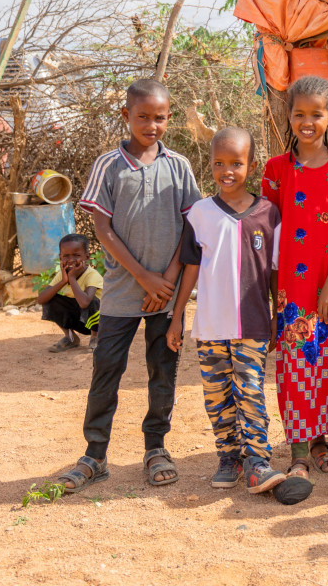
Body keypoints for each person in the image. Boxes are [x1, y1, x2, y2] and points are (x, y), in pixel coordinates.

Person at [58, 78, 201, 494]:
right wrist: (143, 276)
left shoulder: (179, 166)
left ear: (169, 118)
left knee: (163, 370)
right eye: (142, 117)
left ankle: (156, 448)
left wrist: (169, 280)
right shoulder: (110, 164)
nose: (151, 125)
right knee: (107, 369)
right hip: (122, 292)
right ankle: (94, 454)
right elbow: (102, 229)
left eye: (159, 118)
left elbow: (190, 228)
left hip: (166, 295)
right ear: (126, 116)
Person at [166, 127, 288, 496]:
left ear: (251, 166)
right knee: (217, 395)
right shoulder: (200, 213)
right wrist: (177, 317)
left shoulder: (269, 214)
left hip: (252, 323)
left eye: (236, 163)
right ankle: (228, 457)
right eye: (219, 163)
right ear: (211, 165)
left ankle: (257, 461)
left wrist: (276, 316)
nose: (227, 170)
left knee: (250, 391)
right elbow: (190, 267)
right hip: (210, 326)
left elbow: (275, 272)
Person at [262, 75, 328, 485]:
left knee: (327, 364)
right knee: (296, 367)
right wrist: (272, 299)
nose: (307, 122)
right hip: (291, 288)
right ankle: (300, 451)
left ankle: (321, 441)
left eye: (316, 115)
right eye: (299, 114)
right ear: (289, 117)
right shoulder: (276, 170)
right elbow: (266, 235)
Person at [37, 233, 102, 353]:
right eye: (66, 256)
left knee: (91, 300)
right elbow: (41, 299)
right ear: (60, 258)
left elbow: (84, 303)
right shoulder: (62, 274)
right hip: (78, 321)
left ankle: (95, 337)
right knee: (50, 299)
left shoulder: (92, 275)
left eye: (76, 255)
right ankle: (71, 338)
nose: (71, 260)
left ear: (87, 257)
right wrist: (63, 281)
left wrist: (71, 278)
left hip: (98, 323)